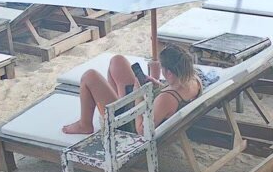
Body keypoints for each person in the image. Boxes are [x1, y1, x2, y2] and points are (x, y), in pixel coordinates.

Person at [61, 45, 204, 136]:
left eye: (162, 68)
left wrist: (138, 96)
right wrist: (158, 85)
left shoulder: (166, 99)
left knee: (89, 76)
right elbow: (171, 97)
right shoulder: (194, 80)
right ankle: (118, 102)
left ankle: (84, 124)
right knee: (117, 61)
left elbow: (141, 131)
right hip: (142, 107)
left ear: (170, 73)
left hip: (127, 124)